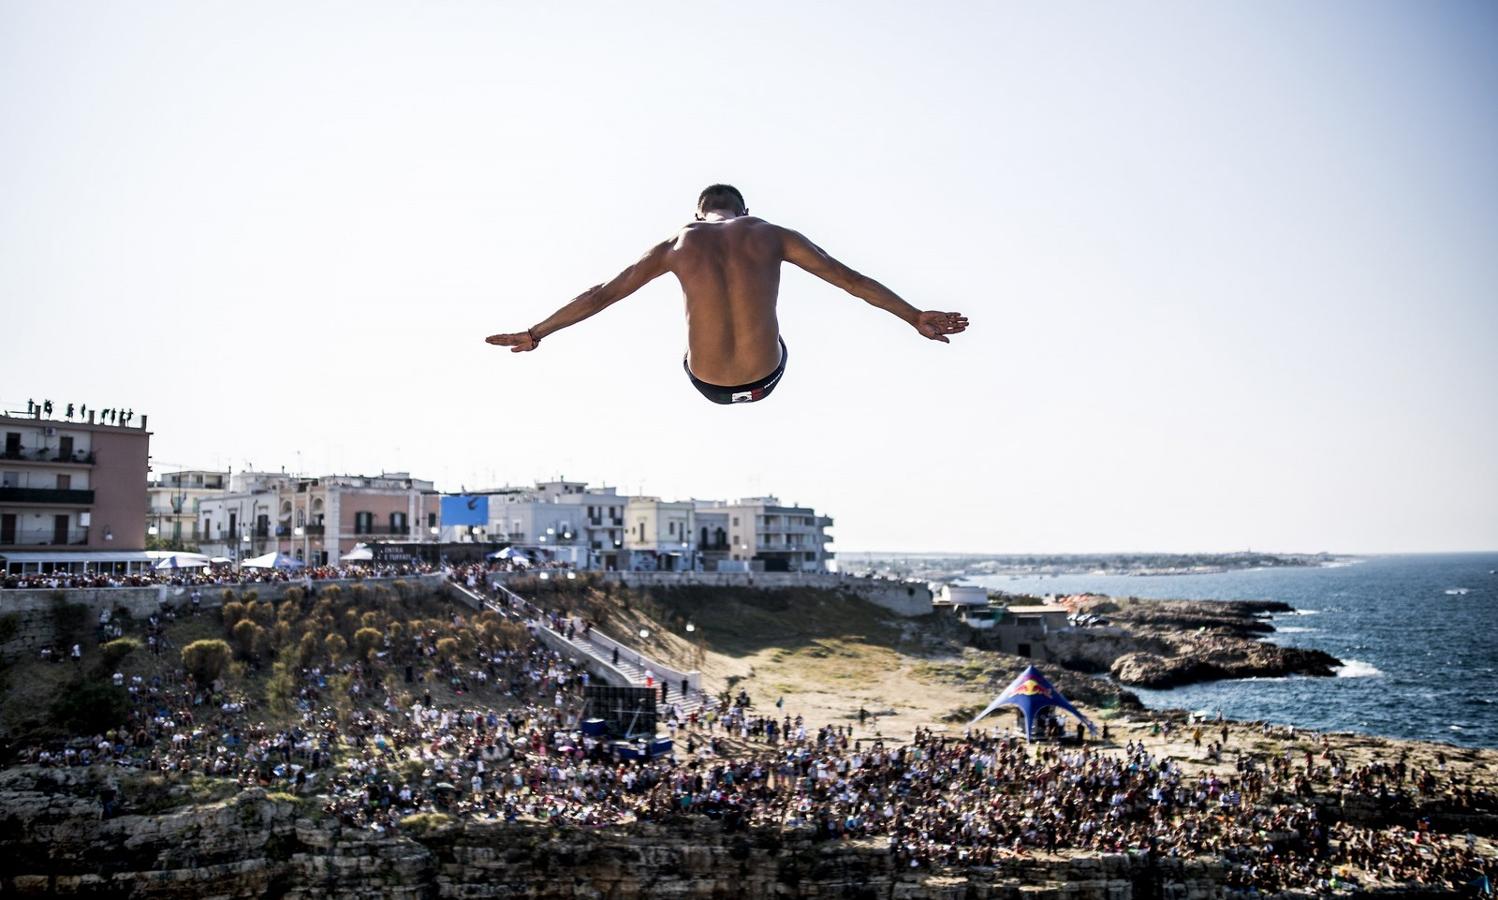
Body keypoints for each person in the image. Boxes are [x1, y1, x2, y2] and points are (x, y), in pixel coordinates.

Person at [486, 184, 968, 404]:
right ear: (743, 210)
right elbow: (853, 282)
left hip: (706, 379)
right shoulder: (773, 234)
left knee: (694, 330)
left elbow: (601, 296)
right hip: (765, 373)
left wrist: (536, 333)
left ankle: (710, 357)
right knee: (774, 329)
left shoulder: (677, 243)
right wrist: (913, 316)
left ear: (699, 213)